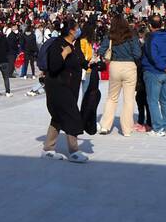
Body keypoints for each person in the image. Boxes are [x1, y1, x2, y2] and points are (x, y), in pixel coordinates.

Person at [42, 15, 88, 162]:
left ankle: (48, 149)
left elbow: (80, 62)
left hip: (69, 87)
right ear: (71, 31)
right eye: (77, 28)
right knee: (72, 116)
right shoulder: (58, 45)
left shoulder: (74, 46)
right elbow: (54, 66)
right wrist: (64, 53)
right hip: (58, 87)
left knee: (58, 117)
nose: (79, 30)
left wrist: (91, 65)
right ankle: (74, 151)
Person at [99, 13, 140, 137]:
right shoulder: (131, 35)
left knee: (112, 97)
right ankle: (127, 129)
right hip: (129, 66)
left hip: (115, 65)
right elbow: (138, 54)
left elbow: (101, 50)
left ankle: (105, 126)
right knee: (129, 99)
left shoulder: (110, 35)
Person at [141, 15, 166, 135]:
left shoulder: (151, 38)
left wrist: (164, 67)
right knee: (164, 99)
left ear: (150, 26)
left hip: (154, 72)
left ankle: (158, 128)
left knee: (153, 100)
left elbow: (153, 56)